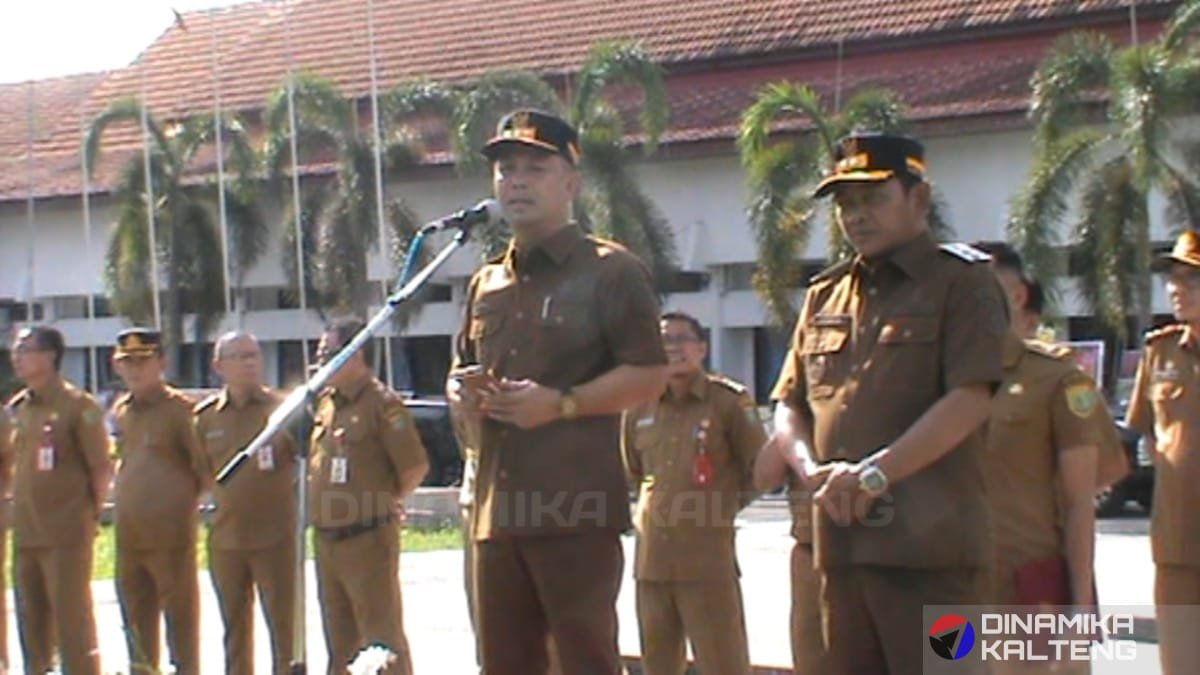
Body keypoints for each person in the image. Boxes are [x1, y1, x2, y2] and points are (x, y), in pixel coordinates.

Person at [764, 131, 1008, 673]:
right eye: (845, 204)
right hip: (841, 547)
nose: (856, 215)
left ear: (918, 198)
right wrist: (814, 473)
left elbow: (970, 398)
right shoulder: (824, 295)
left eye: (873, 198)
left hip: (932, 554)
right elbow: (789, 404)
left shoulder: (963, 283)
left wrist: (874, 475)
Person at [448, 108, 668, 674]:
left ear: (571, 183)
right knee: (504, 663)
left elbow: (648, 373)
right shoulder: (487, 281)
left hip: (575, 509)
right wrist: (463, 392)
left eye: (534, 168)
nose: (516, 181)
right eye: (505, 170)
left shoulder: (611, 271)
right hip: (496, 514)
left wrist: (562, 404)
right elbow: (461, 371)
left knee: (584, 660)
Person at [972, 244, 1107, 674]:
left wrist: (1081, 608)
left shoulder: (1055, 378)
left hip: (1028, 586)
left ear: (1016, 295)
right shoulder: (939, 379)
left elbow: (1081, 500)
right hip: (957, 589)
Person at [621, 311, 763, 675]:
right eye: (664, 340)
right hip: (652, 562)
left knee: (723, 662)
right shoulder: (638, 407)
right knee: (658, 664)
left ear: (702, 347)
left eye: (682, 339)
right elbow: (635, 473)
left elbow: (758, 469)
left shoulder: (729, 402)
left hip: (707, 562)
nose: (674, 348)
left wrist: (719, 507)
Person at [309, 317, 428, 675]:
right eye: (319, 354)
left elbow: (414, 467)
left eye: (328, 353)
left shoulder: (382, 404)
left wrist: (384, 503)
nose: (320, 362)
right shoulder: (327, 403)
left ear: (356, 354)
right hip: (328, 540)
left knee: (380, 640)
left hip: (367, 537)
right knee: (339, 644)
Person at [193, 331, 297, 675]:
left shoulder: (283, 411)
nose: (250, 362)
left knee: (285, 630)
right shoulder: (206, 417)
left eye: (254, 354)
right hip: (227, 541)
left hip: (276, 540)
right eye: (240, 356)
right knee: (235, 631)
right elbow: (202, 472)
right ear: (219, 365)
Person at [7, 326, 109, 674]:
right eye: (15, 350)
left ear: (50, 356)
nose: (16, 356)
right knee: (30, 623)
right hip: (27, 535)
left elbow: (100, 469)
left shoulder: (79, 406)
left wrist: (88, 517)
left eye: (25, 350)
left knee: (71, 624)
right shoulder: (19, 408)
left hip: (65, 535)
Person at [110, 327, 210, 675]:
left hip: (170, 538)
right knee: (135, 624)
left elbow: (202, 468)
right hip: (129, 538)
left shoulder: (181, 411)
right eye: (126, 362)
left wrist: (178, 504)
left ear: (161, 362)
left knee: (180, 624)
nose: (134, 369)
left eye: (143, 360)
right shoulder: (122, 410)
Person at [1125, 230, 1200, 675]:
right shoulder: (1160, 351)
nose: (1176, 289)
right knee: (1181, 663)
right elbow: (1145, 433)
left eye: (1190, 279)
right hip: (1177, 542)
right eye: (1172, 279)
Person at [753, 350, 825, 674]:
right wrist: (793, 425)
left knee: (951, 658)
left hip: (941, 552)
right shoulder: (800, 420)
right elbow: (763, 477)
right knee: (814, 659)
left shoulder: (967, 395)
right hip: (814, 551)